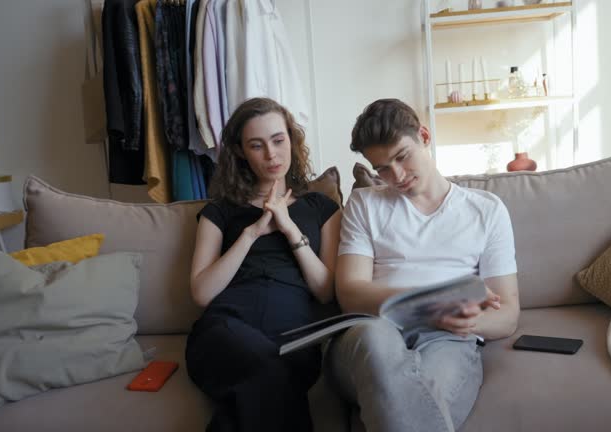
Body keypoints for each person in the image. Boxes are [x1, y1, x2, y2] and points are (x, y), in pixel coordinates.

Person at [326, 98, 520, 432]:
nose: (397, 175)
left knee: (423, 398)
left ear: (424, 137)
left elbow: (508, 314)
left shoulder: (486, 210)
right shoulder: (364, 203)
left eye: (402, 156)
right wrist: (430, 304)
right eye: (382, 169)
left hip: (448, 339)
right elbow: (350, 294)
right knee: (376, 343)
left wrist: (463, 320)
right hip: (375, 330)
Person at [185, 97, 342, 432]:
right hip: (225, 330)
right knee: (270, 372)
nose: (271, 155)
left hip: (294, 338)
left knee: (268, 374)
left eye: (278, 140)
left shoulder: (321, 208)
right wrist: (251, 233)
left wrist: (289, 228)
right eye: (257, 145)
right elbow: (201, 293)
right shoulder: (220, 211)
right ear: (241, 151)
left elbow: (325, 291)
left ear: (291, 140)